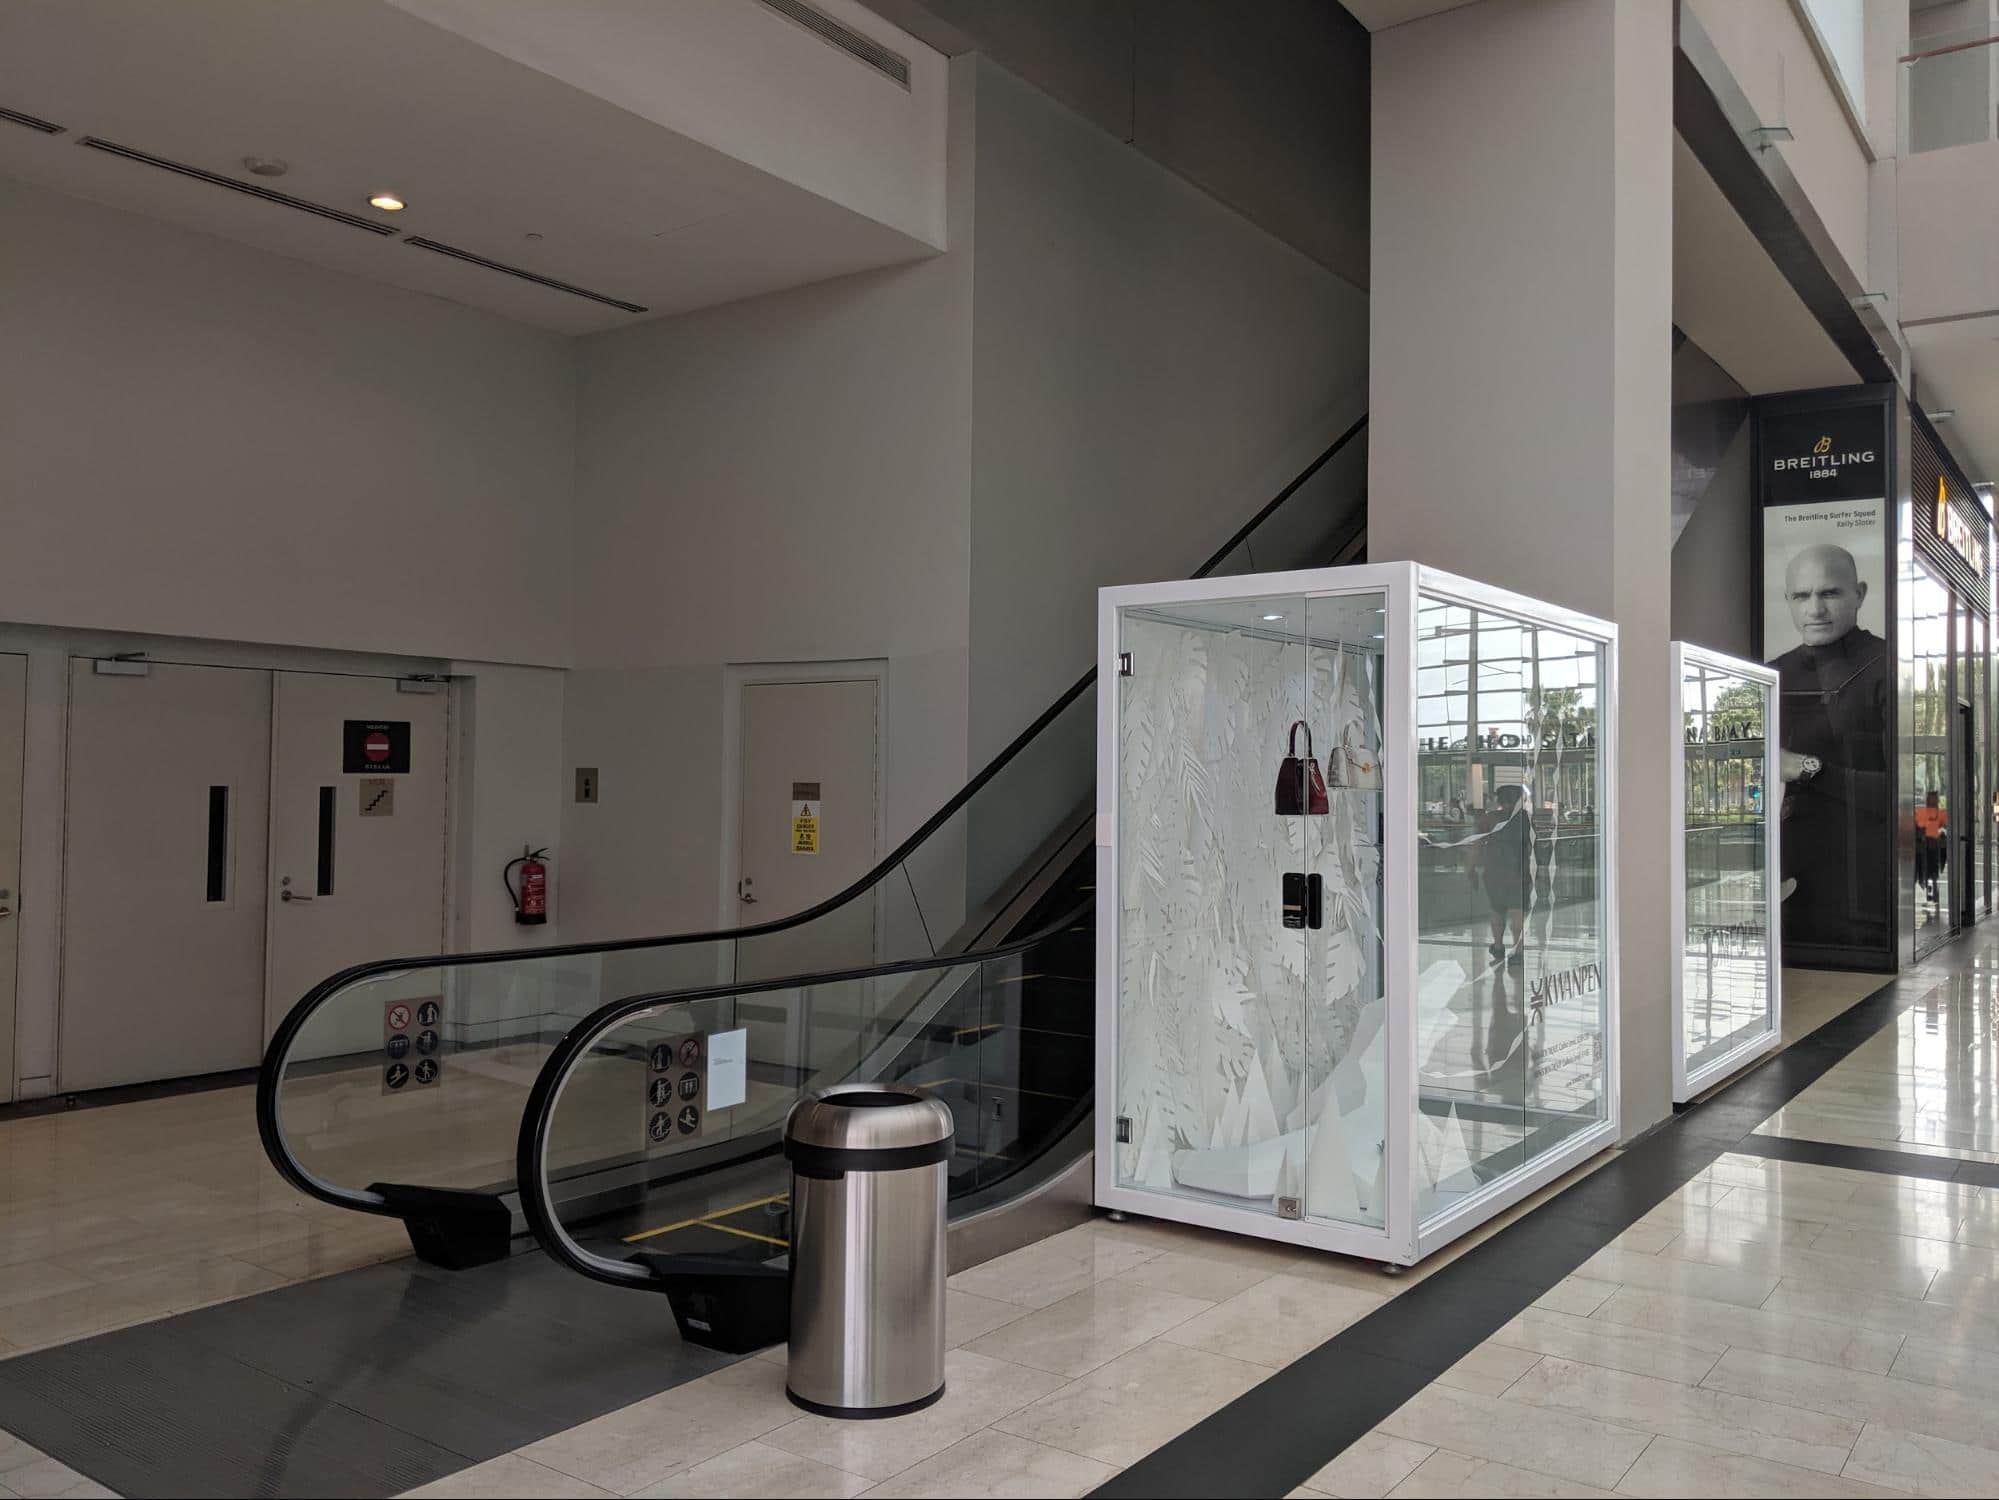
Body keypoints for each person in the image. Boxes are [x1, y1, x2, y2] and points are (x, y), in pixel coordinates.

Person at [1769, 543, 1890, 952]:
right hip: (1792, 881)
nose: (1815, 609)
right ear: (1788, 600)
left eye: (1830, 593)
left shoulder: (1888, 666)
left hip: (1864, 889)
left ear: (1860, 593)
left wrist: (1807, 768)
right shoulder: (1772, 674)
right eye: (1802, 596)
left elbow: (1899, 793)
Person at [1424, 783, 1537, 968]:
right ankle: (1517, 949)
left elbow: (1475, 847)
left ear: (1499, 799)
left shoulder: (1488, 819)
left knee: (1497, 909)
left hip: (1494, 872)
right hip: (1519, 871)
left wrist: (1470, 869)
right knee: (1517, 909)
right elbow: (1533, 847)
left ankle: (1498, 945)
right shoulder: (1526, 819)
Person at [1915, 790, 1947, 905]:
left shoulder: (1941, 814)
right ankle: (1930, 894)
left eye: (1935, 798)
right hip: (1926, 848)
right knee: (1928, 873)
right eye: (1931, 798)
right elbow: (1918, 828)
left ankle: (1933, 894)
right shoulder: (1921, 813)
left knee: (1932, 874)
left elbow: (1944, 829)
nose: (1934, 800)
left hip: (1934, 848)